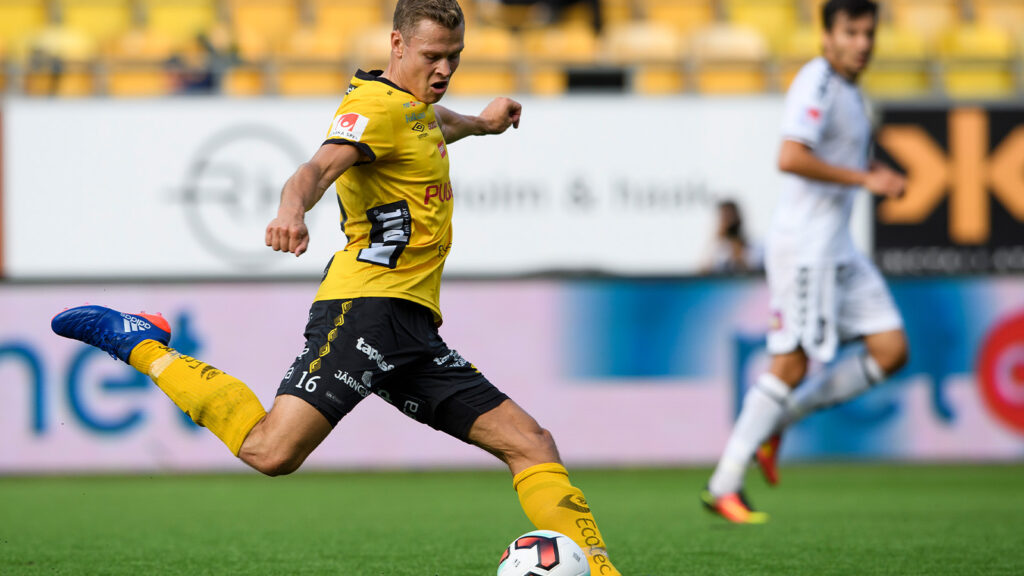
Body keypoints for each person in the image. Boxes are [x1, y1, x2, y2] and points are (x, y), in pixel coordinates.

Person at [52, 1, 621, 573]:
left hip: (415, 330)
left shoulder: (413, 106)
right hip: (365, 310)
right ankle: (140, 341)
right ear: (396, 44)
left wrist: (481, 123)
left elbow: (432, 125)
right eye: (432, 56)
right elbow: (316, 169)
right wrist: (290, 210)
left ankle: (601, 571)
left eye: (454, 56)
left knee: (531, 443)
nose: (444, 69)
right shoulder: (372, 106)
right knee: (270, 451)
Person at [701, 0, 909, 524]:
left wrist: (872, 169)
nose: (862, 43)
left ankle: (777, 426)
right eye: (851, 33)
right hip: (807, 249)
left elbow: (837, 157)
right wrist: (866, 179)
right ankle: (725, 484)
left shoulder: (851, 92)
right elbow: (791, 155)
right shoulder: (815, 82)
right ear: (827, 36)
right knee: (790, 364)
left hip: (839, 248)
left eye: (868, 33)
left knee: (891, 349)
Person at [700, 199, 763, 275]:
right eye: (724, 217)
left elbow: (753, 273)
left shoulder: (754, 247)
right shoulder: (718, 250)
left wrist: (737, 248)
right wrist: (716, 239)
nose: (728, 221)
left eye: (731, 216)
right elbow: (702, 273)